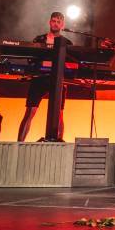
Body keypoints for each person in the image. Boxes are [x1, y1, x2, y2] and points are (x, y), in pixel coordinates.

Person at [17, 12, 73, 142]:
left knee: (59, 114)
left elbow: (71, 63)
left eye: (58, 22)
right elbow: (31, 59)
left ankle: (59, 145)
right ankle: (19, 144)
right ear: (49, 22)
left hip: (58, 80)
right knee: (30, 111)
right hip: (39, 79)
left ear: (62, 25)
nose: (55, 24)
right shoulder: (39, 39)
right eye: (53, 21)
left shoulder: (67, 42)